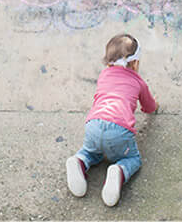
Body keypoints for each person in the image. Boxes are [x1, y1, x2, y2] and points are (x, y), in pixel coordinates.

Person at [65, 34, 159, 206]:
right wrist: (155, 106)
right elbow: (149, 107)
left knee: (92, 152)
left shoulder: (104, 75)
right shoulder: (139, 83)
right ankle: (119, 170)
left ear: (108, 62)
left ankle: (79, 161)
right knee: (133, 159)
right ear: (136, 63)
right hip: (120, 130)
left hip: (93, 124)